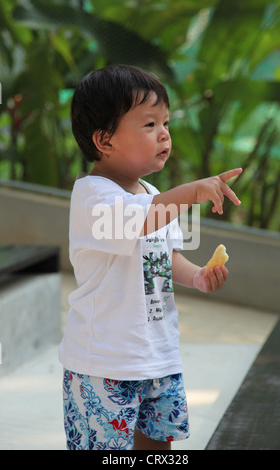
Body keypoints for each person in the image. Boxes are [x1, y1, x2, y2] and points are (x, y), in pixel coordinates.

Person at [58, 64, 242, 451]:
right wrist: (191, 192)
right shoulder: (93, 195)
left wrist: (196, 276)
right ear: (104, 141)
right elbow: (142, 222)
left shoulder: (150, 193)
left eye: (166, 122)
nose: (164, 134)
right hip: (103, 366)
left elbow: (161, 255)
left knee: (157, 451)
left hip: (157, 357)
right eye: (148, 124)